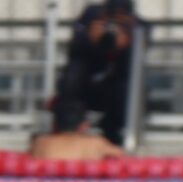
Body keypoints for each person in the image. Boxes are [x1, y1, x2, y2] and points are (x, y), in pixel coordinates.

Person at [56, 0, 141, 146]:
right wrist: (88, 38)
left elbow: (139, 62)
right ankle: (68, 130)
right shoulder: (91, 17)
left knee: (126, 86)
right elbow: (73, 50)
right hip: (87, 85)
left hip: (118, 90)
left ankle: (114, 135)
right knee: (75, 72)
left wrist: (130, 43)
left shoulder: (137, 26)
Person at [29, 98, 126, 160]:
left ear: (54, 125)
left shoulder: (40, 143)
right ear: (84, 126)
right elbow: (123, 157)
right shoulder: (97, 144)